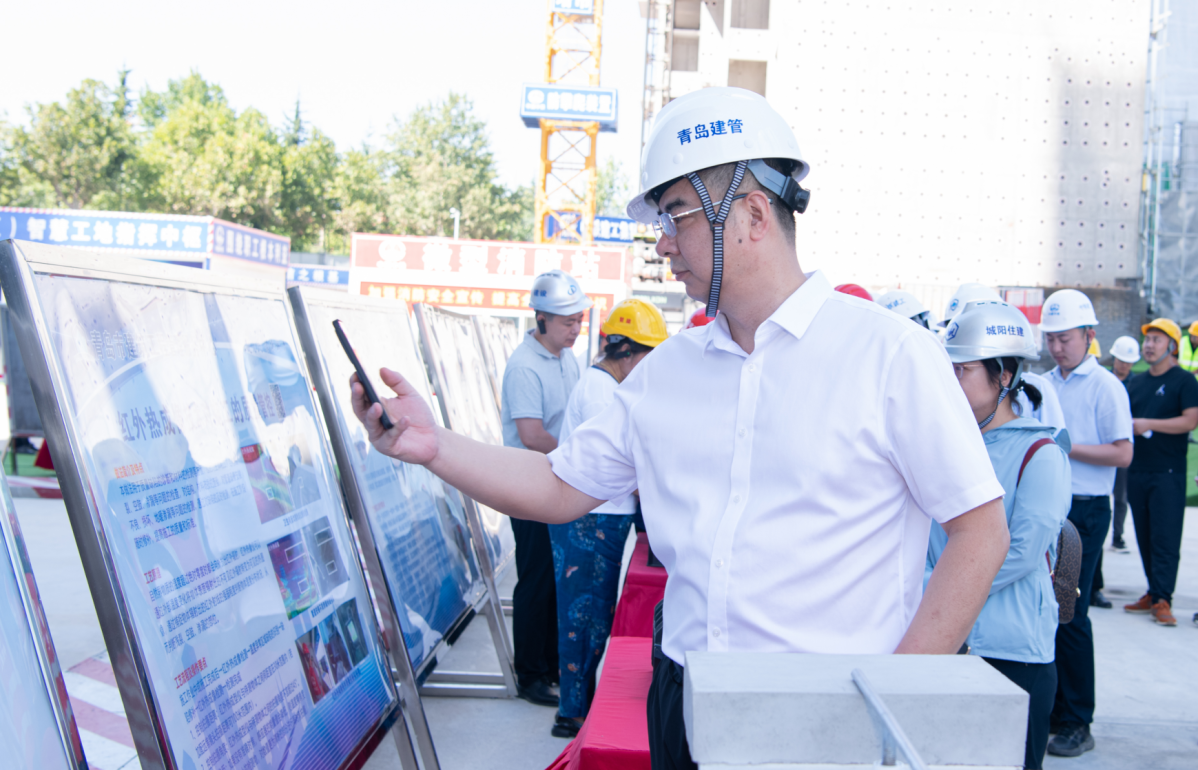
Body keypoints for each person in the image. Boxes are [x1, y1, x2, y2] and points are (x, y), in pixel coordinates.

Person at [347, 87, 1010, 770]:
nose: (662, 243)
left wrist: (890, 700)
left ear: (753, 213)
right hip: (683, 697)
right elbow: (558, 483)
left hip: (829, 717)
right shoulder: (665, 373)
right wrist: (434, 447)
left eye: (675, 216)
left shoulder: (891, 356)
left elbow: (980, 532)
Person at [931, 300, 1071, 770]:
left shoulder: (1040, 453)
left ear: (1005, 375)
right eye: (947, 369)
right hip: (944, 641)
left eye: (963, 370)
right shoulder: (943, 445)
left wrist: (938, 592)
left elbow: (1023, 552)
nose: (951, 380)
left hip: (1010, 652)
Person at [549, 297, 668, 738]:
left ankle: (578, 704)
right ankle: (571, 713)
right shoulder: (601, 392)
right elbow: (620, 466)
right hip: (590, 520)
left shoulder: (608, 385)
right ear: (628, 351)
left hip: (601, 517)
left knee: (594, 616)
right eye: (649, 357)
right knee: (583, 618)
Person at [1037, 289, 1133, 758]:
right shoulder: (1042, 384)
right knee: (1045, 610)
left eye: (1066, 338)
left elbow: (1123, 452)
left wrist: (1066, 446)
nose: (1057, 347)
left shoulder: (1105, 386)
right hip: (1047, 506)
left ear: (1089, 335)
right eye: (1051, 339)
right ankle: (1055, 711)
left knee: (1069, 612)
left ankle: (1077, 720)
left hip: (1086, 510)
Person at [500, 268, 591, 707]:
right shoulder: (524, 367)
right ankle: (531, 674)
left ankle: (553, 665)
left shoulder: (566, 358)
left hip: (556, 481)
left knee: (557, 580)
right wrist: (579, 459)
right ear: (541, 319)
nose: (575, 329)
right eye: (567, 322)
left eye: (579, 320)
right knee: (536, 580)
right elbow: (533, 434)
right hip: (528, 485)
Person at [1122, 319, 1198, 627]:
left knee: (1165, 537)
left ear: (1172, 346)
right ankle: (1153, 592)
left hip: (1168, 472)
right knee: (1143, 535)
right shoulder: (1137, 382)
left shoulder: (1184, 381)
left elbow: (1190, 420)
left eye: (1157, 340)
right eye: (1148, 339)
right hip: (1138, 469)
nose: (1149, 345)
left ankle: (1163, 598)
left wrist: (1149, 424)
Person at [1106, 336, 1140, 554]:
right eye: (1121, 360)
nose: (1124, 365)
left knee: (1121, 496)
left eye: (1128, 362)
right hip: (1102, 443)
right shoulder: (1103, 380)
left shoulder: (1137, 384)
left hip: (1123, 445)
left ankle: (1117, 536)